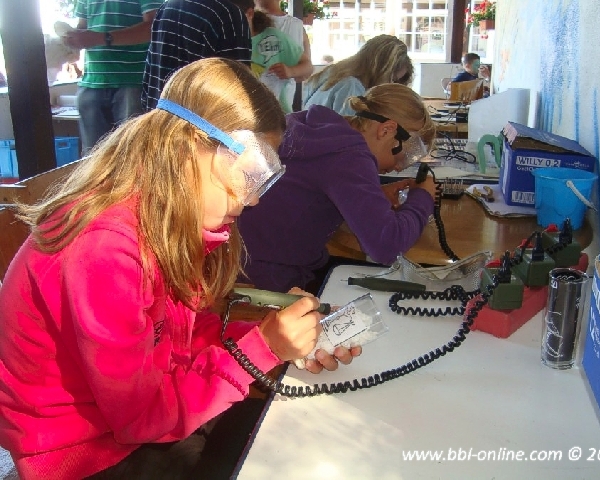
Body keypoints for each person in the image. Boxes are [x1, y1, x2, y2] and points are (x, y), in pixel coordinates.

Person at [0, 58, 359, 479]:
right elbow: (139, 419)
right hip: (83, 453)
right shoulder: (106, 252)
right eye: (250, 172)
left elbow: (175, 338)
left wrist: (279, 337)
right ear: (190, 145)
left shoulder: (161, 217)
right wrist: (264, 349)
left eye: (265, 178)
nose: (254, 199)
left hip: (134, 421)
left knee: (285, 437)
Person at [237, 83, 438, 293]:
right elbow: (387, 246)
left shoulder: (320, 128)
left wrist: (375, 193)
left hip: (243, 259)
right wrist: (422, 197)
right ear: (386, 130)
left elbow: (311, 187)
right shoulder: (349, 156)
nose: (398, 168)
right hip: (267, 279)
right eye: (405, 156)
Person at [62, 0, 162, 153]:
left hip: (132, 82)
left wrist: (101, 38)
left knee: (132, 155)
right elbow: (83, 25)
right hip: (91, 82)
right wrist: (73, 39)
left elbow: (153, 27)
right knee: (92, 160)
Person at [141, 0, 253, 111]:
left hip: (158, 114)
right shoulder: (228, 15)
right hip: (199, 119)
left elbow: (149, 78)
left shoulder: (166, 7)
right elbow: (240, 91)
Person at [302, 34, 414, 115]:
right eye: (392, 79)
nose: (390, 85)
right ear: (380, 71)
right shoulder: (351, 87)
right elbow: (350, 133)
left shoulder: (332, 72)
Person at [254, 0, 314, 112]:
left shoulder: (296, 25)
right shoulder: (248, 22)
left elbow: (306, 72)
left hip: (281, 104)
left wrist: (291, 71)